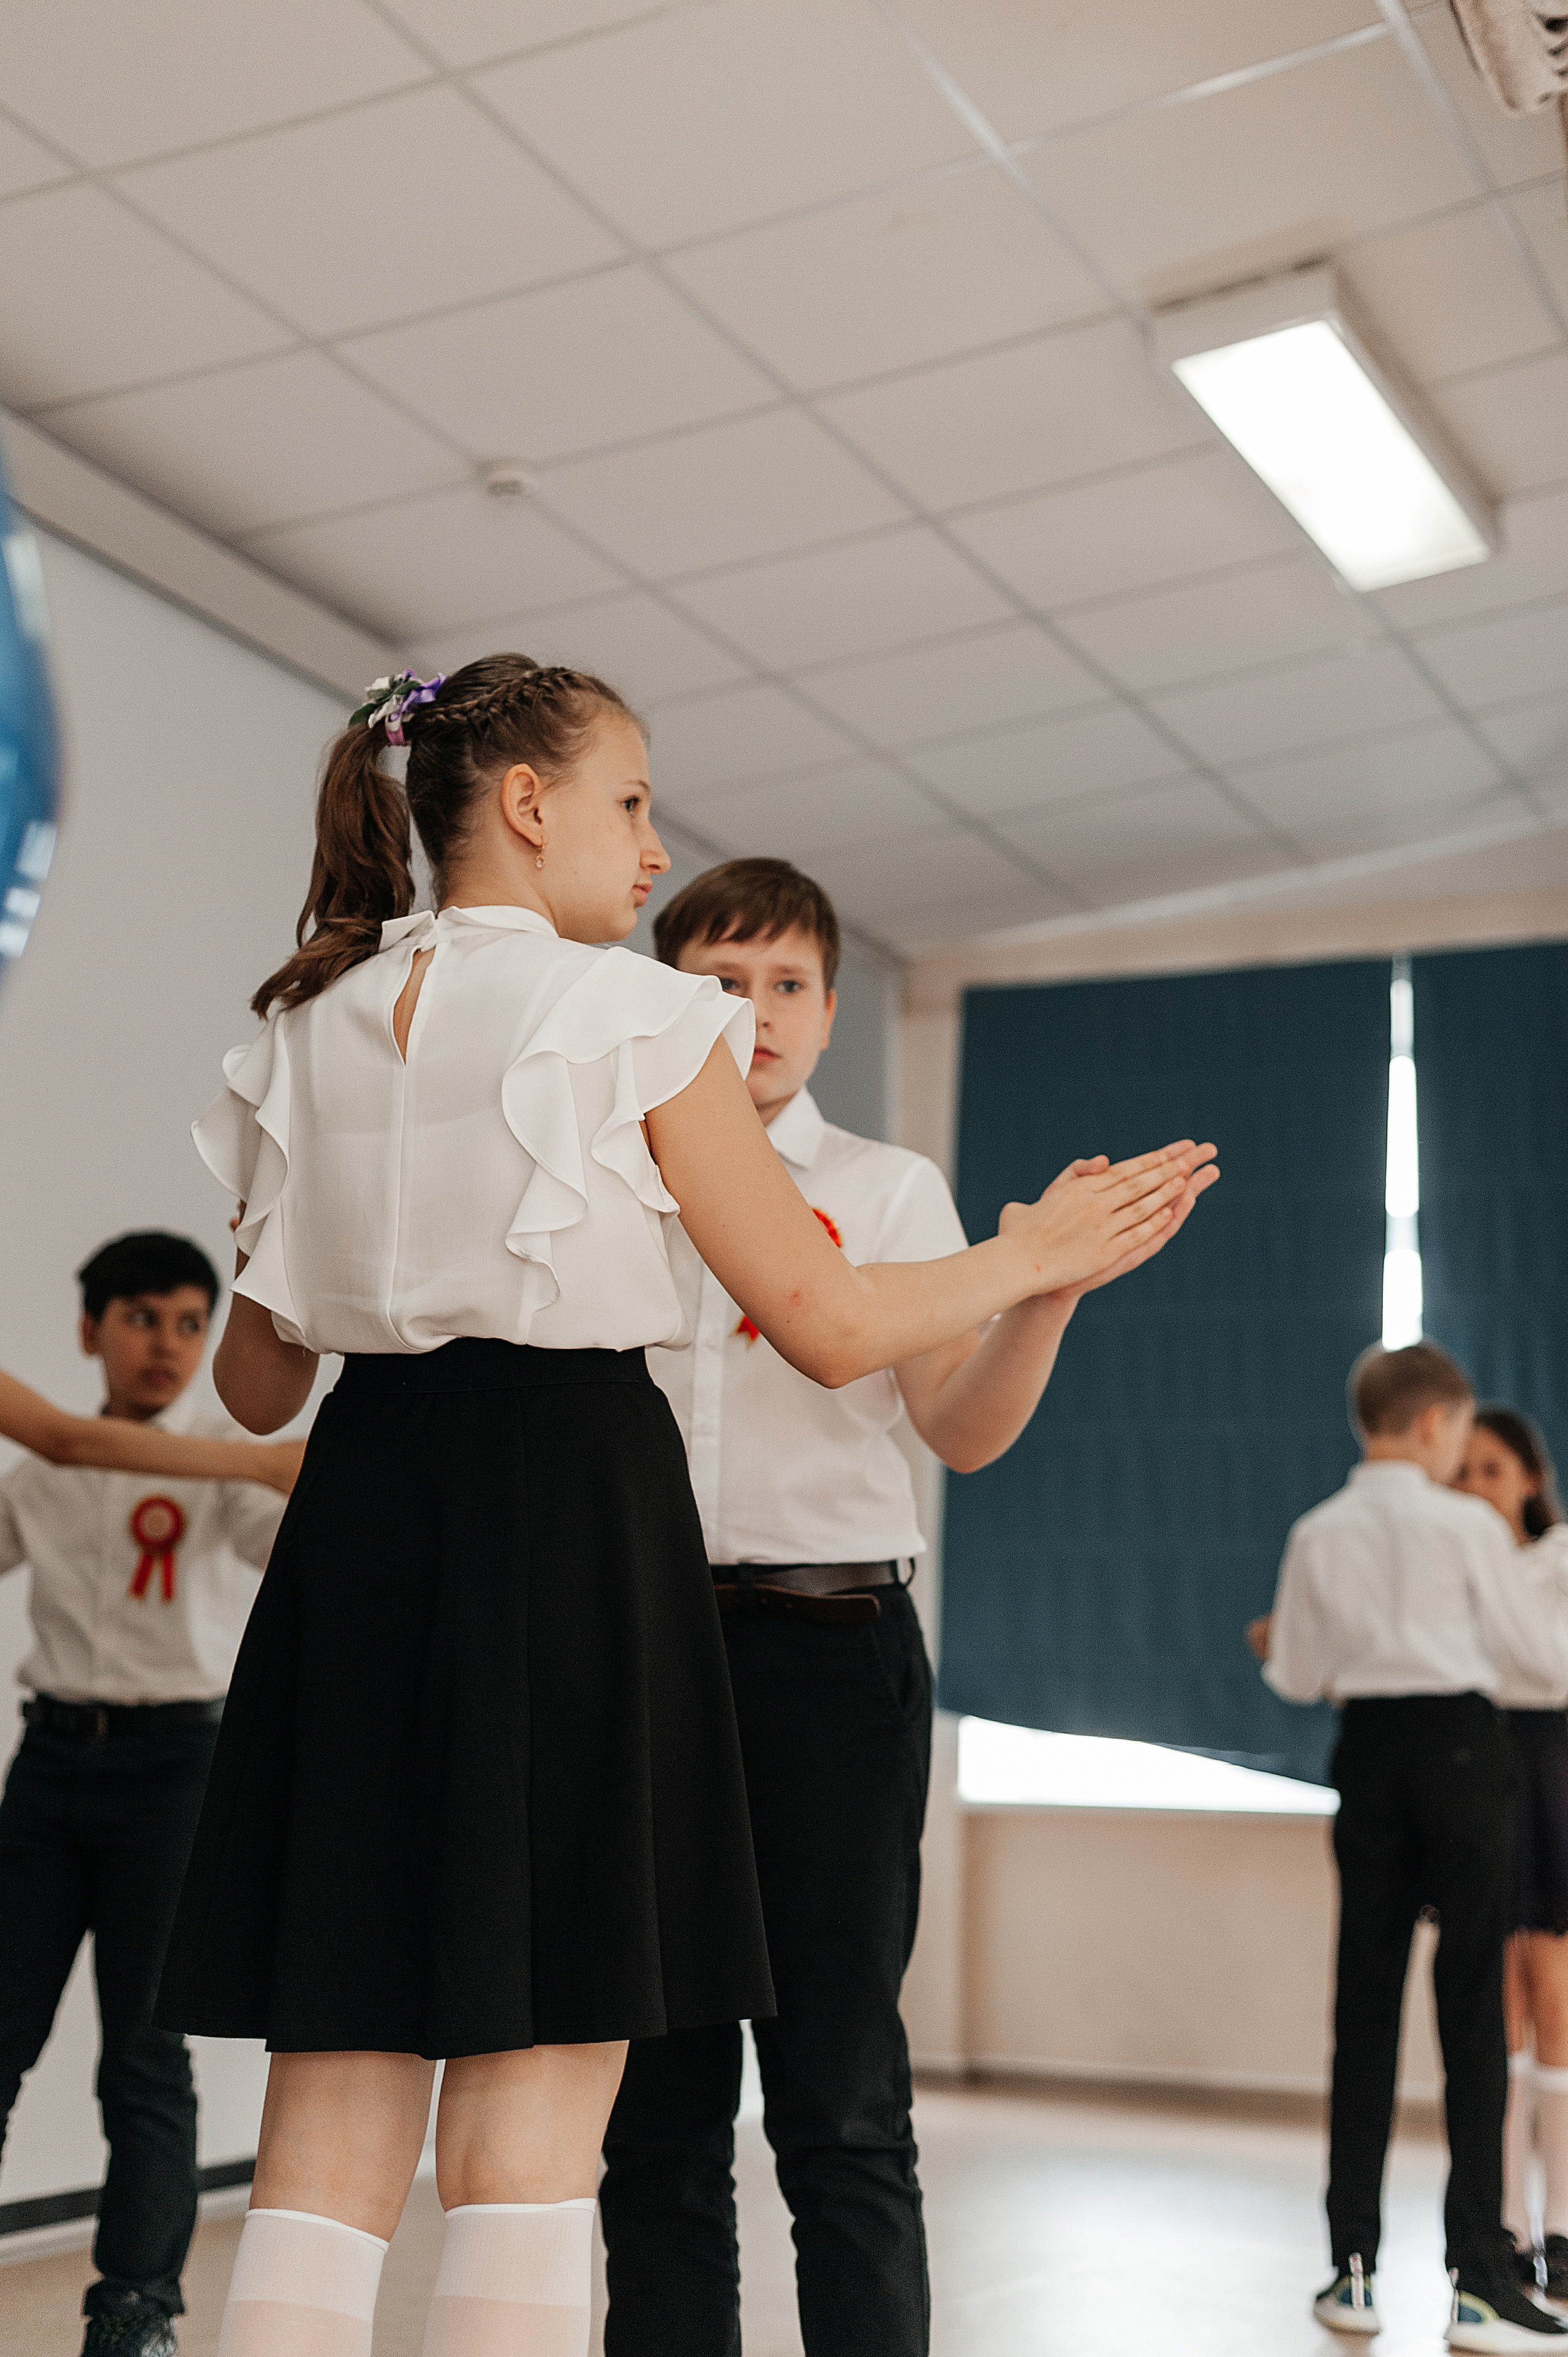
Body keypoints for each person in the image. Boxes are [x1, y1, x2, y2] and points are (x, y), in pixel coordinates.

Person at [151, 659, 1217, 2357]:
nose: (653, 849)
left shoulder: (308, 1019)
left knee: (331, 2113)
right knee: (531, 2130)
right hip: (568, 1521)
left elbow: (261, 1386)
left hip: (360, 1524)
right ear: (528, 804)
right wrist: (1035, 1254)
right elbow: (829, 1322)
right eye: (633, 802)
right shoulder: (633, 1014)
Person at [595, 857, 1213, 2357]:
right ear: (657, 998)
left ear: (827, 1009)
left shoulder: (886, 1190)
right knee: (655, 2112)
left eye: (786, 984)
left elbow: (959, 1428)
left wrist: (1042, 1288)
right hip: (642, 1656)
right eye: (717, 983)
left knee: (840, 2095)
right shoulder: (607, 1181)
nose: (754, 1013)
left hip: (831, 1661)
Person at [0, 1230, 302, 2357]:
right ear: (90, 1332)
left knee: (142, 2056)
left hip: (176, 1774)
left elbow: (282, 1546)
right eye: (139, 1320)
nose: (166, 1346)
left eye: (188, 1323)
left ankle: (136, 2312)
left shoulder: (223, 1462)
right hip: (49, 1770)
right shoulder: (44, 1471)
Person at [1254, 1341, 1568, 2354]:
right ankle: (1479, 2283)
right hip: (1466, 1753)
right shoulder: (1467, 1526)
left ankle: (1352, 2272)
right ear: (1437, 1423)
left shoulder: (1317, 1530)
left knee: (1365, 2009)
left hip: (1371, 1758)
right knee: (1472, 2008)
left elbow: (1297, 1676)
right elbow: (1540, 1658)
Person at [1456, 1408, 1568, 2299]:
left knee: (1554, 1991)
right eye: (1462, 1472)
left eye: (1492, 1470)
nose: (1476, 1488)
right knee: (1496, 2004)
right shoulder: (1454, 1562)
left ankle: (1561, 2222)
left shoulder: (1558, 1558)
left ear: (1530, 1478)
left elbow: (1552, 1668)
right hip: (1485, 1766)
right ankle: (1506, 2223)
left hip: (1555, 1767)